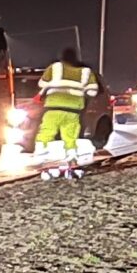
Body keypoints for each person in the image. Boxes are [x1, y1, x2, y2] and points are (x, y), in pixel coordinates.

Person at [37, 46, 98, 179]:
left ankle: (44, 162)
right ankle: (72, 164)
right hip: (73, 111)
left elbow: (41, 84)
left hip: (53, 109)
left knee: (46, 134)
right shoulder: (86, 72)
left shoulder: (54, 68)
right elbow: (93, 91)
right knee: (70, 138)